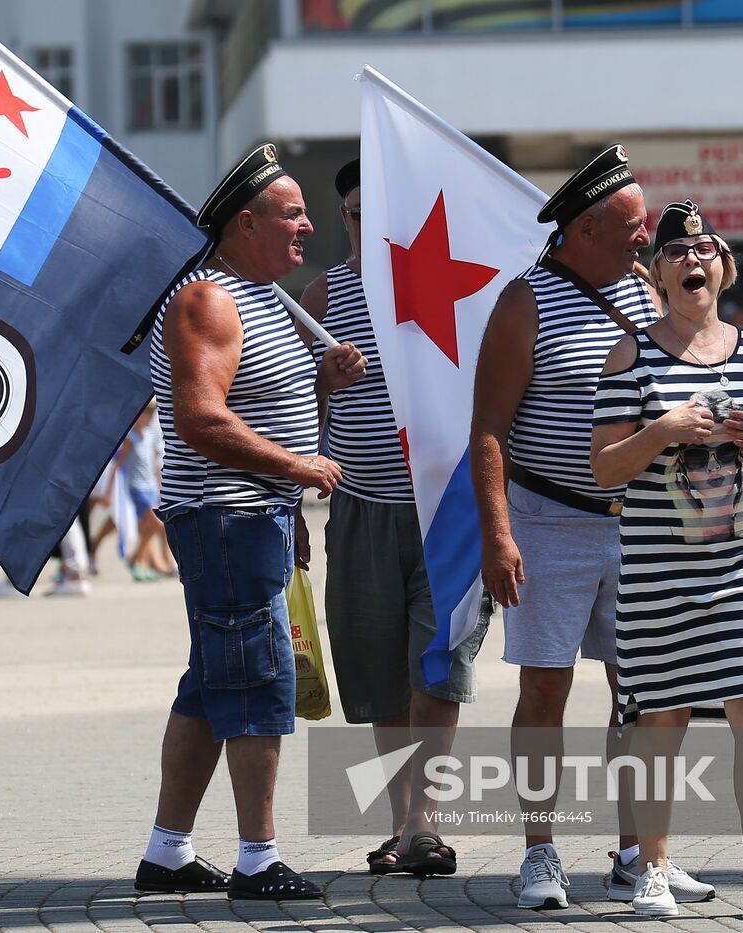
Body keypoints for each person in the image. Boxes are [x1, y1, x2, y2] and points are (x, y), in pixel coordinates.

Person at [470, 146, 712, 910]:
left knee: (640, 694)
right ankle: (540, 853)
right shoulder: (524, 302)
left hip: (639, 525)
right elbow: (488, 430)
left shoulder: (646, 294)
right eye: (634, 226)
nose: (648, 238)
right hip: (549, 523)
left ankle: (640, 852)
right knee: (545, 691)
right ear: (582, 229)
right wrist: (497, 535)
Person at [134, 143, 363, 901]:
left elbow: (272, 412)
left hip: (256, 518)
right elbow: (201, 419)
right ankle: (258, 858)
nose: (306, 227)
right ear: (244, 222)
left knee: (211, 684)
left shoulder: (266, 293)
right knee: (258, 684)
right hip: (227, 521)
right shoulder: (210, 298)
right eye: (291, 214)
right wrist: (297, 470)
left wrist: (320, 390)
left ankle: (167, 852)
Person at [591, 201, 743, 920]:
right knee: (661, 717)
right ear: (658, 273)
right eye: (676, 253)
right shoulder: (631, 355)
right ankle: (652, 867)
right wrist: (665, 428)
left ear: (724, 268)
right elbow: (605, 469)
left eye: (704, 250)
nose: (692, 261)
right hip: (657, 570)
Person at [298, 157, 484, 877]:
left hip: (446, 511)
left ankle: (422, 825)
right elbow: (298, 414)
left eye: (379, 214)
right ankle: (401, 823)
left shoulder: (454, 286)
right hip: (362, 512)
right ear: (342, 221)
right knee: (378, 668)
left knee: (437, 666)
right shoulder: (323, 294)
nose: (366, 225)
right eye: (354, 213)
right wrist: (323, 379)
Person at [118, 399, 174, 581]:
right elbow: (118, 466)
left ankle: (140, 561)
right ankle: (136, 558)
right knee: (157, 524)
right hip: (137, 488)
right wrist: (111, 491)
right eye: (146, 413)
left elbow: (154, 464)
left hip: (151, 487)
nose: (150, 416)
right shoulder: (131, 438)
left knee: (150, 527)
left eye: (152, 413)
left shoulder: (149, 435)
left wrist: (161, 483)